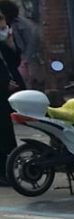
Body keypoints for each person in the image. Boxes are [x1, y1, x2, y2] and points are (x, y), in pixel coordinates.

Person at [0, 10, 21, 185]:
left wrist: (10, 43)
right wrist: (4, 83)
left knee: (7, 132)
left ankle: (9, 169)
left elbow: (14, 61)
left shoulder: (3, 44)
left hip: (6, 97)